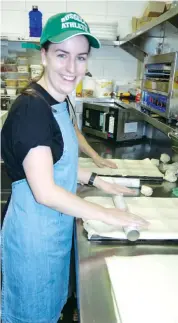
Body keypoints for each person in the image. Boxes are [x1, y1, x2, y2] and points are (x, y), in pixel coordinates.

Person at [1, 12, 148, 323]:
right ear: (43, 54)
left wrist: (98, 179)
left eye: (80, 57)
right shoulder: (31, 109)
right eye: (61, 55)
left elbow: (59, 161)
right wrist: (110, 215)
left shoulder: (59, 100)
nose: (71, 68)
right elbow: (44, 190)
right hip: (34, 238)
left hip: (53, 231)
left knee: (49, 311)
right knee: (29, 315)